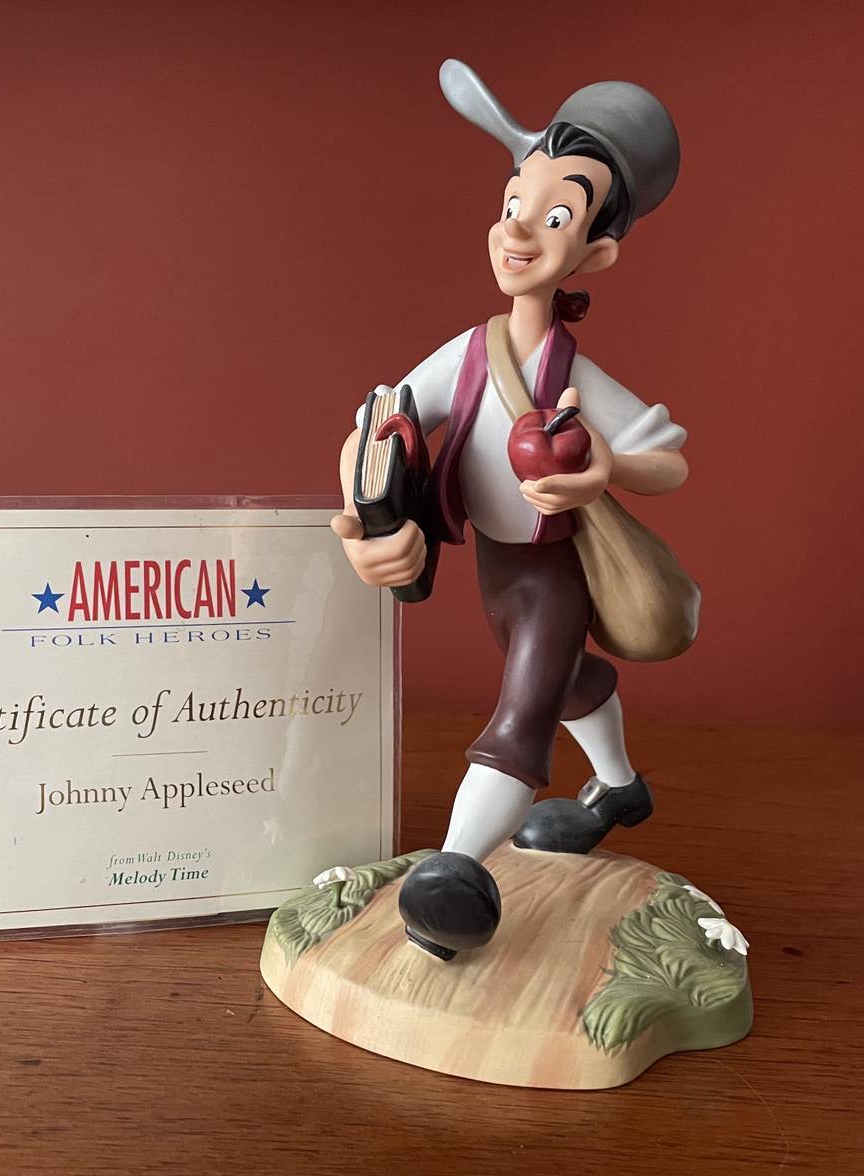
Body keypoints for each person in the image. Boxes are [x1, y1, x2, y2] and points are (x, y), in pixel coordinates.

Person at [331, 62, 689, 960]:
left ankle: (453, 881)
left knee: (523, 713)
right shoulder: (465, 354)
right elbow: (378, 426)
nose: (520, 228)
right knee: (567, 683)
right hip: (496, 568)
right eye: (513, 202)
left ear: (595, 254)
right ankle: (619, 789)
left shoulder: (576, 378)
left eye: (556, 216)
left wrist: (603, 467)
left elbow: (669, 461)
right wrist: (367, 522)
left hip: (551, 574)